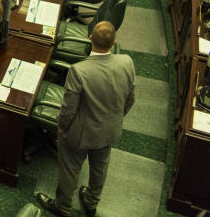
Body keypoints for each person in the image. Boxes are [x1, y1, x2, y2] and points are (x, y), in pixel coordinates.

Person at [35, 21, 135, 217]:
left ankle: (63, 207)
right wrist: (115, 118)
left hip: (80, 135)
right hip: (109, 131)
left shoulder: (79, 70)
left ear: (90, 39)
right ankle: (91, 202)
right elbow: (131, 98)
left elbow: (68, 108)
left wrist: (62, 128)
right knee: (100, 168)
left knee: (70, 171)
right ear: (114, 42)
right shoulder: (127, 62)